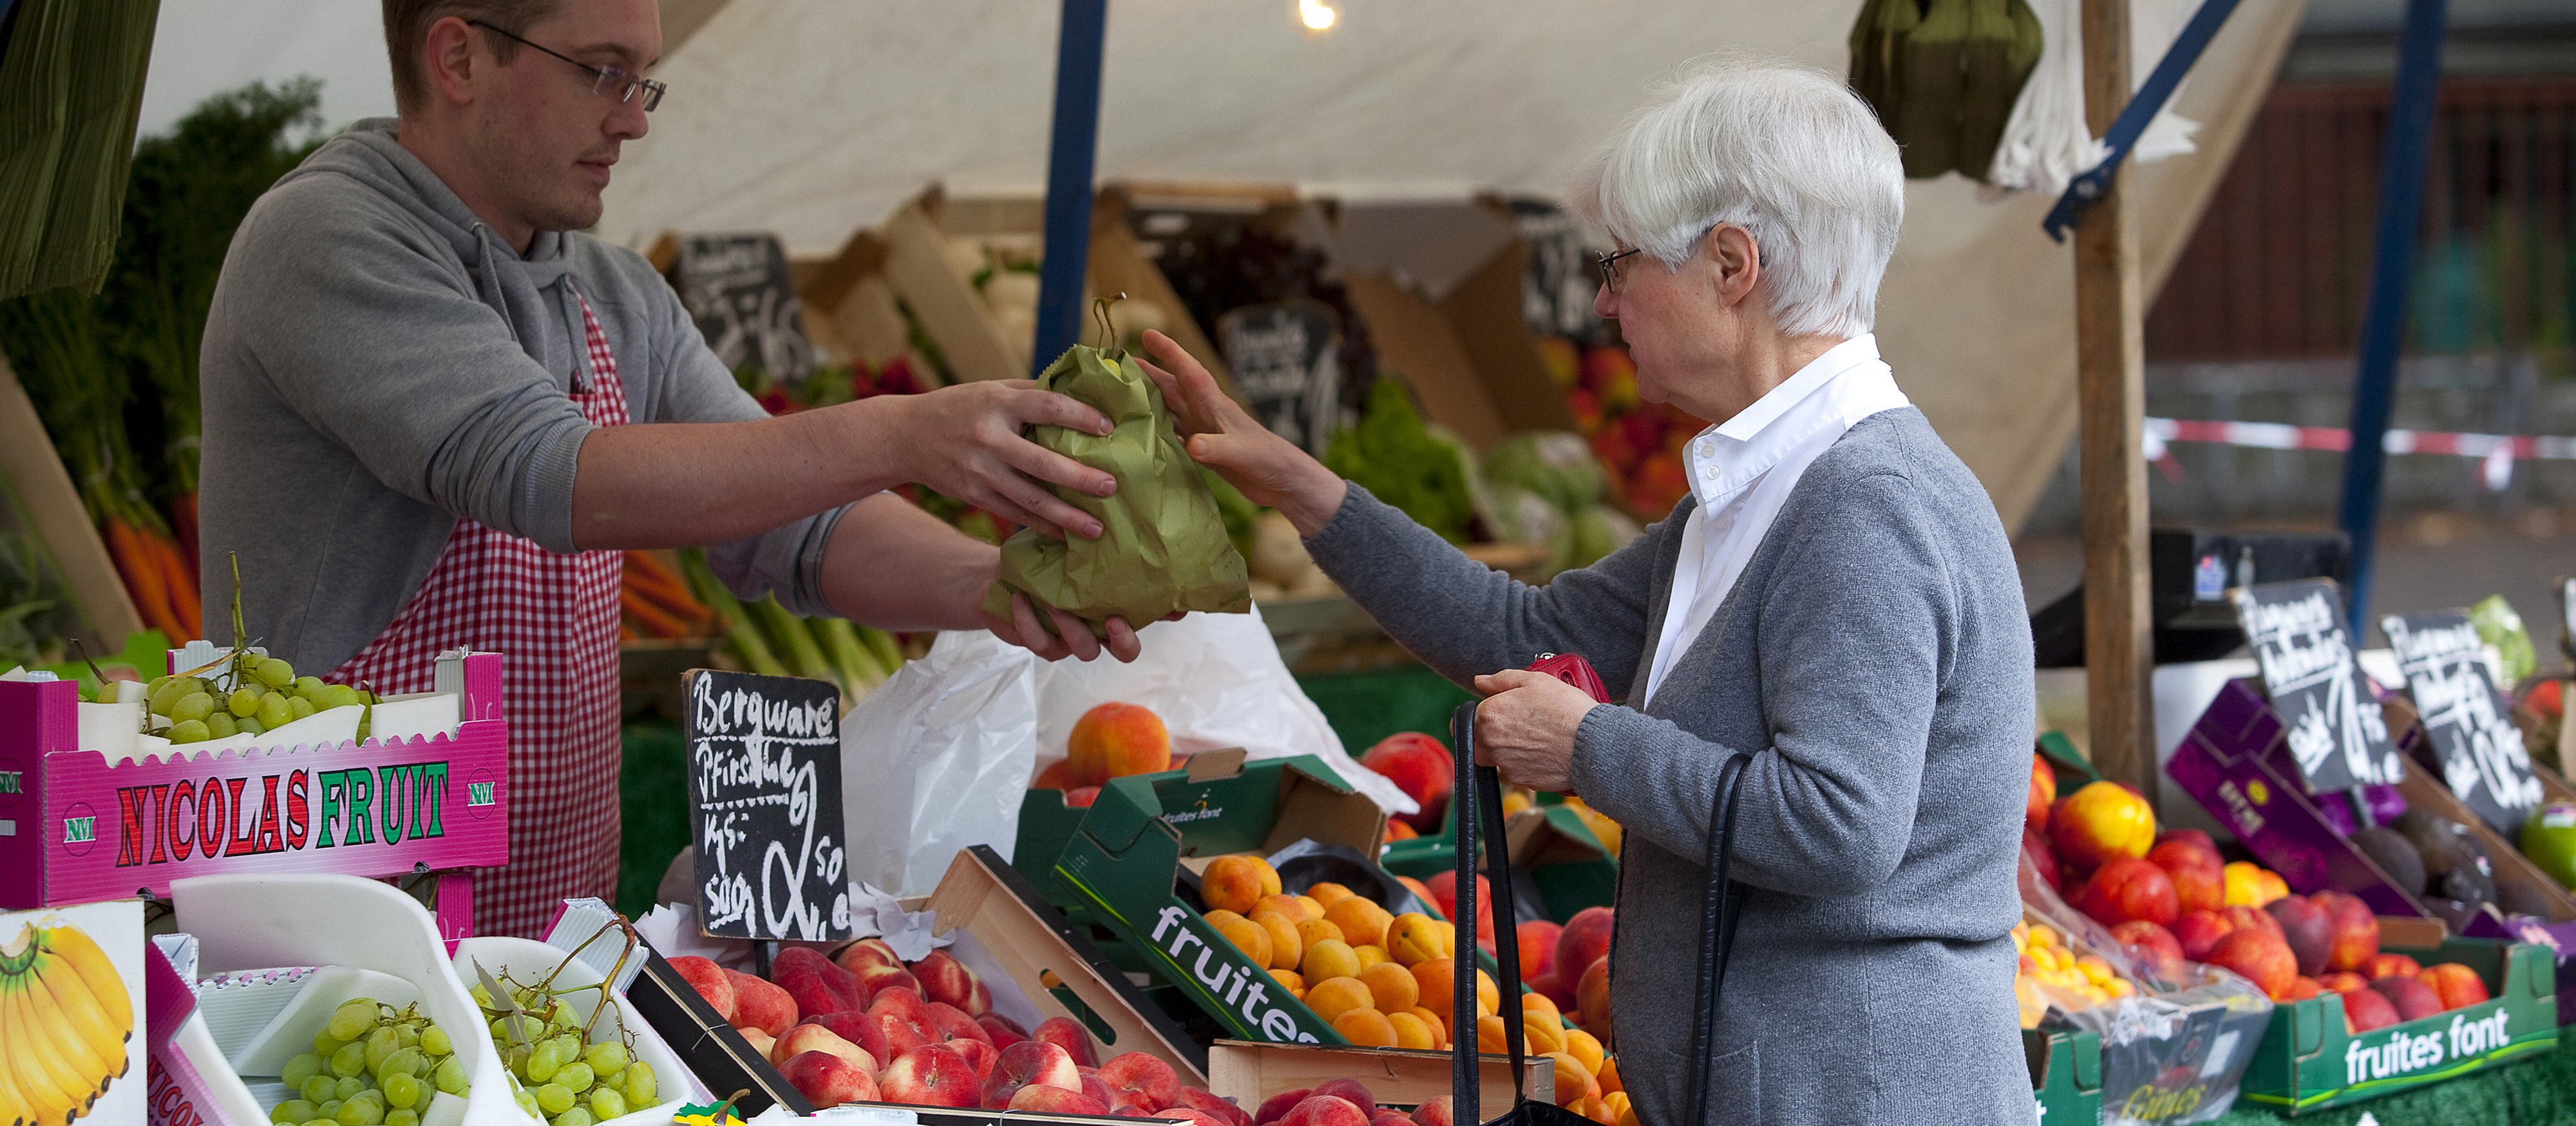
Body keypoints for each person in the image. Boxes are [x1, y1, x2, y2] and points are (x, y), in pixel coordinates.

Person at [1146, 57, 2033, 1125]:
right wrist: (1294, 481)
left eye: (1622, 265)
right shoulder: (1757, 491)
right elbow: (1520, 629)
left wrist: (1589, 747)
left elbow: (1839, 826)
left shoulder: (1863, 504)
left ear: (1732, 265)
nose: (1606, 299)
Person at [198, 0, 1144, 939]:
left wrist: (1000, 588)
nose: (635, 117)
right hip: (331, 935)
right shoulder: (329, 237)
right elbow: (553, 473)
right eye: (599, 70)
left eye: (641, 77)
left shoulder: (616, 297)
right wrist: (903, 432)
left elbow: (802, 525)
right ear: (459, 58)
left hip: (544, 945)